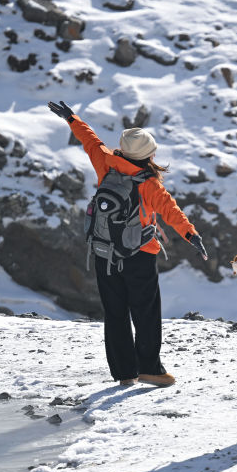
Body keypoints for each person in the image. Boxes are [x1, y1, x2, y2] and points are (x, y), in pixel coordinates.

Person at [48, 100, 208, 387]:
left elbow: (90, 140)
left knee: (115, 312)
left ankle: (124, 374)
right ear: (148, 155)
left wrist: (72, 118)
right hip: (139, 254)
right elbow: (171, 211)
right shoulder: (148, 183)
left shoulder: (106, 163)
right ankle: (150, 369)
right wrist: (191, 235)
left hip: (104, 251)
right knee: (145, 312)